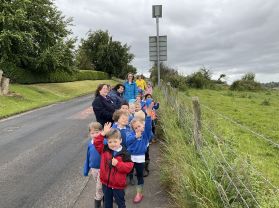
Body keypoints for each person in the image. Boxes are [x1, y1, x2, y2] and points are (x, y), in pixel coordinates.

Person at [94, 123, 134, 208]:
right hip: (106, 184)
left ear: (121, 140)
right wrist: (103, 134)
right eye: (110, 141)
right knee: (107, 204)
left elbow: (129, 167)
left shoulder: (125, 153)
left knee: (121, 203)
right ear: (107, 142)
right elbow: (97, 143)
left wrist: (118, 164)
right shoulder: (104, 150)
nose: (112, 144)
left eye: (115, 141)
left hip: (118, 185)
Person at [126, 103, 153, 203]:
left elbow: (149, 128)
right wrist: (135, 136)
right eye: (135, 128)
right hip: (130, 157)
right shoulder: (131, 134)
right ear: (133, 129)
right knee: (127, 171)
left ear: (143, 125)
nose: (138, 129)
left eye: (139, 126)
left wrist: (149, 116)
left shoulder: (145, 135)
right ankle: (122, 186)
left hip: (140, 159)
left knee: (140, 175)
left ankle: (139, 193)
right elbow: (127, 142)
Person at [83, 122, 103, 208]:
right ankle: (105, 196)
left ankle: (98, 202)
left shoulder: (104, 142)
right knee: (99, 186)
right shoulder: (90, 144)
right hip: (94, 169)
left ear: (101, 132)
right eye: (92, 133)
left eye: (97, 132)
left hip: (103, 169)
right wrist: (86, 169)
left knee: (99, 187)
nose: (94, 135)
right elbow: (88, 157)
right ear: (89, 134)